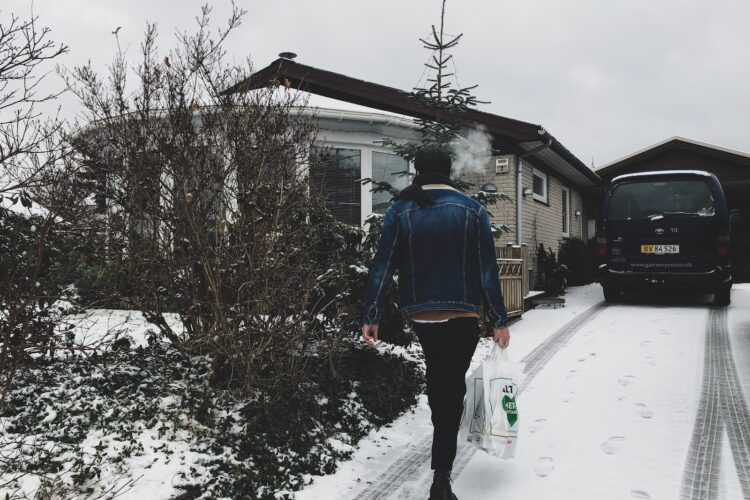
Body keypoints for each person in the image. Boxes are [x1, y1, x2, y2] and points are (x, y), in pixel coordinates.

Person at [361, 146, 510, 500]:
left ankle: (441, 449)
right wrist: (498, 321)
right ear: (448, 171)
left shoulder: (400, 209)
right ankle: (441, 475)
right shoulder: (473, 210)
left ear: (418, 170)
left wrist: (372, 314)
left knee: (439, 379)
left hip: (422, 313)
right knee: (450, 385)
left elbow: (382, 265)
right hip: (464, 314)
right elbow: (487, 270)